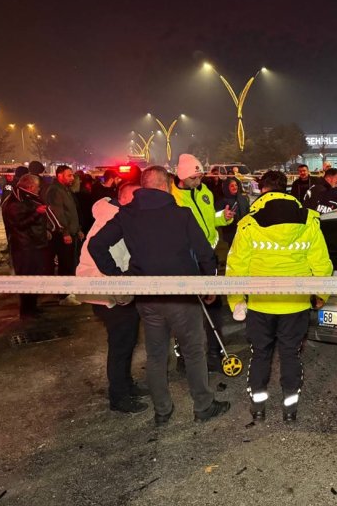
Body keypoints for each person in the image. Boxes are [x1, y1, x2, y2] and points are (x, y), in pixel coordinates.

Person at [89, 165, 231, 426]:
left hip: (147, 297)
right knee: (194, 351)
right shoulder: (182, 214)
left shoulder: (127, 215)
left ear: (143, 186)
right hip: (182, 295)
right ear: (166, 185)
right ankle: (203, 406)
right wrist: (209, 285)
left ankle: (162, 410)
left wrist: (121, 278)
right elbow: (205, 253)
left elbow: (96, 245)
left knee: (156, 355)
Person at [226, 170, 333, 422]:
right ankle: (289, 409)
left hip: (261, 304)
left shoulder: (248, 223)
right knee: (290, 353)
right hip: (295, 304)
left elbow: (235, 266)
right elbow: (321, 264)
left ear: (263, 190)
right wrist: (321, 294)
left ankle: (258, 407)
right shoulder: (308, 221)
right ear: (285, 189)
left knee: (260, 353)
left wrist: (236, 300)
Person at [77, 182, 148, 414]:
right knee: (120, 343)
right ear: (126, 198)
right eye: (137, 197)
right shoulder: (114, 220)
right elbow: (103, 253)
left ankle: (126, 385)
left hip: (110, 289)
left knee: (127, 341)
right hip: (107, 291)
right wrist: (119, 281)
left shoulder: (116, 215)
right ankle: (119, 396)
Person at [171, 153, 235, 373]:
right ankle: (184, 358)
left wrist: (222, 217)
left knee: (214, 308)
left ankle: (214, 355)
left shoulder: (204, 191)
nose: (199, 182)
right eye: (194, 178)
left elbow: (209, 218)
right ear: (182, 176)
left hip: (209, 257)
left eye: (200, 177)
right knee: (185, 312)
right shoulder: (172, 198)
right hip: (186, 261)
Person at [1, 174, 59, 319]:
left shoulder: (24, 198)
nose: (39, 190)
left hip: (32, 245)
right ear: (30, 186)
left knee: (33, 277)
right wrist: (36, 213)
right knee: (27, 278)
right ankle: (27, 310)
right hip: (24, 248)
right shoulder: (15, 202)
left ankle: (32, 307)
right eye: (38, 187)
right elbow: (18, 225)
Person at [46, 165, 83, 306]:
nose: (72, 178)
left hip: (71, 233)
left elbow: (71, 213)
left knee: (70, 264)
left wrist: (77, 229)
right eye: (69, 175)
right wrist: (65, 232)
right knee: (65, 265)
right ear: (59, 175)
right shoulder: (55, 191)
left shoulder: (65, 190)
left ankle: (69, 292)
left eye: (72, 175)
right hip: (62, 236)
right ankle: (64, 296)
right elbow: (58, 214)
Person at [220, 176, 250, 246]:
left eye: (236, 185)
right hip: (231, 232)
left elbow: (248, 210)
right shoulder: (222, 201)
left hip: (243, 231)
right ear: (227, 188)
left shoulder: (242, 198)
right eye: (232, 186)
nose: (235, 187)